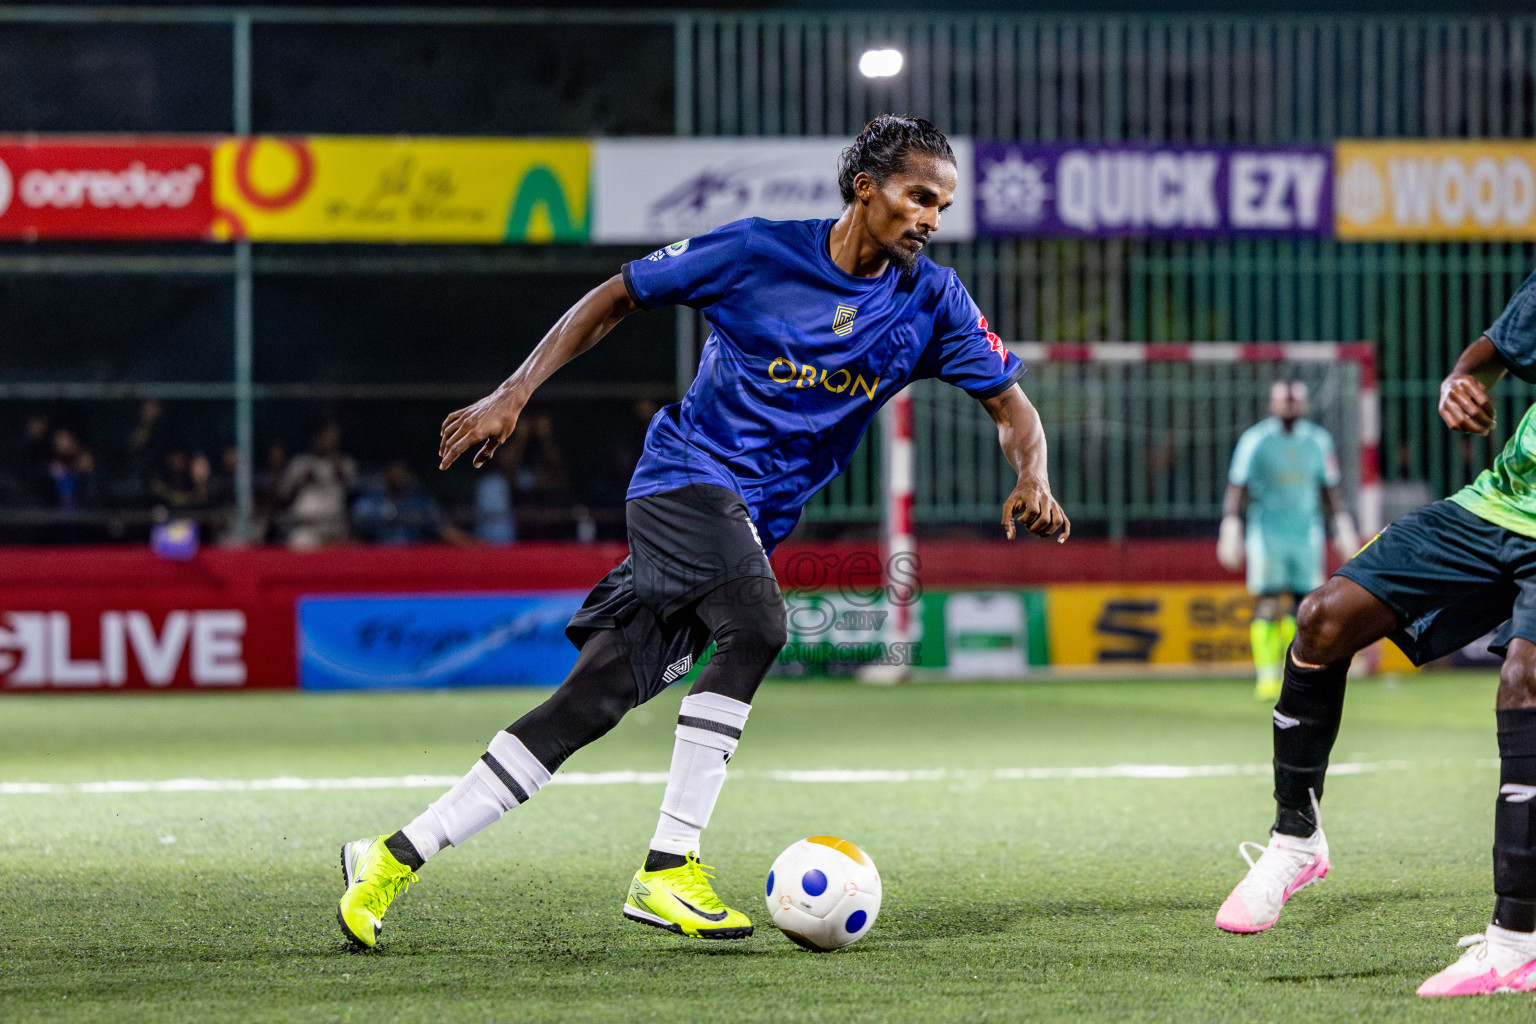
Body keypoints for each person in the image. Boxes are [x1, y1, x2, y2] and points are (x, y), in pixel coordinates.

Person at [335, 115, 1070, 949]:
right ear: (867, 189)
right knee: (758, 627)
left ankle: (390, 857)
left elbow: (1011, 403)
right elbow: (616, 294)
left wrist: (1032, 473)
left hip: (745, 522)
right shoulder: (756, 251)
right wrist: (515, 391)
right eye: (919, 196)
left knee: (592, 701)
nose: (932, 218)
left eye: (943, 204)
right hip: (683, 481)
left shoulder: (932, 300)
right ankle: (668, 867)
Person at [1214, 275, 1536, 998]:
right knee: (1323, 617)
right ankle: (1297, 838)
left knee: (1524, 680)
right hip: (1500, 505)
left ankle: (1516, 943)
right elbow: (1491, 350)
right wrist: (1460, 380)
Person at [1217, 380, 1359, 701]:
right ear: (1272, 403)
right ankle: (1266, 674)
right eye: (1284, 399)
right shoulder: (1256, 440)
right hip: (1267, 532)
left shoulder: (1318, 441)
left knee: (1305, 606)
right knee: (1267, 602)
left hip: (1306, 532)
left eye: (1296, 400)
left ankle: (1296, 671)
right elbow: (1237, 485)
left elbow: (1329, 488)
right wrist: (1230, 524)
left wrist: (1341, 522)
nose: (1290, 405)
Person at [352, 460, 472, 546]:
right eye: (393, 472)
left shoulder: (420, 502)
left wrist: (473, 544)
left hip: (412, 557)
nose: (397, 476)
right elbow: (355, 527)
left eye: (401, 472)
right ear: (386, 475)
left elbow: (445, 529)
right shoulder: (371, 502)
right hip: (379, 557)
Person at [277, 423, 356, 550]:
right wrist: (300, 484)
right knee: (300, 544)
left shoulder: (344, 463)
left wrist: (332, 459)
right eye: (323, 437)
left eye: (331, 438)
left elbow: (348, 485)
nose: (325, 441)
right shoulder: (300, 462)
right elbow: (283, 497)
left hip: (334, 527)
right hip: (305, 527)